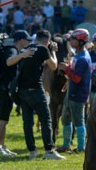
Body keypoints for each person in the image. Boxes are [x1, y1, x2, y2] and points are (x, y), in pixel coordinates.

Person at [10, 29, 65, 160]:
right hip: (36, 89)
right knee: (46, 119)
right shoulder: (43, 49)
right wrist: (53, 52)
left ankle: (32, 151)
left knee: (27, 122)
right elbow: (54, 66)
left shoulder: (26, 49)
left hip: (22, 90)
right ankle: (49, 151)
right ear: (47, 41)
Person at [57, 28, 93, 153]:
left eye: (73, 39)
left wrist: (66, 69)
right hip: (71, 91)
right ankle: (66, 145)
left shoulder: (83, 59)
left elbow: (77, 78)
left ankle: (81, 147)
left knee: (78, 121)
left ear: (81, 41)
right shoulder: (77, 55)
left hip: (78, 94)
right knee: (65, 118)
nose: (70, 41)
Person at [0, 31, 24, 158]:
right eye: (27, 40)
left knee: (4, 119)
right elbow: (9, 62)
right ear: (21, 40)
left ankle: (2, 146)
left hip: (1, 88)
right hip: (2, 89)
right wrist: (22, 55)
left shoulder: (10, 49)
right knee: (2, 119)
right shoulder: (13, 50)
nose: (29, 43)